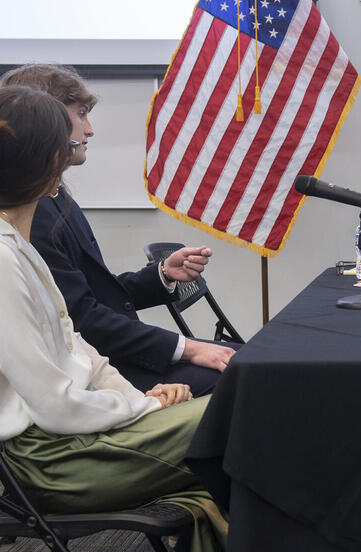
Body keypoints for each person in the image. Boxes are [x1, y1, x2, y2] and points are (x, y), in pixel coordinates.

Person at [0, 85, 226, 551]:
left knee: (247, 417)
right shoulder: (4, 258)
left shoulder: (17, 243)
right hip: (54, 461)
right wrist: (145, 408)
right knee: (250, 412)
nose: (83, 137)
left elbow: (78, 348)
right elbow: (54, 402)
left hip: (79, 437)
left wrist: (139, 398)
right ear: (47, 166)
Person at [0, 64, 236, 395]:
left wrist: (162, 275)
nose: (90, 129)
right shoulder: (32, 212)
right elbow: (82, 322)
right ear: (47, 121)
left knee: (248, 365)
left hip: (110, 361)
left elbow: (90, 295)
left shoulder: (53, 197)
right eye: (81, 114)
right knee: (243, 375)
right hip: (100, 375)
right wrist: (189, 348)